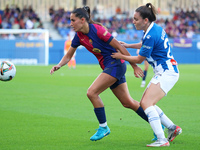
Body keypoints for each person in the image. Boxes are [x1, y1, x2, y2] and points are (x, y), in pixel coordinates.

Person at [50, 6, 152, 142]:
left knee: (91, 92)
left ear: (82, 20)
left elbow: (119, 47)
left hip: (115, 64)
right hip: (111, 67)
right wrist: (59, 65)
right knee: (128, 103)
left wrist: (133, 65)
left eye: (73, 20)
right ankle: (158, 126)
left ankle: (103, 127)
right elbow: (68, 56)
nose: (71, 23)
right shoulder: (79, 37)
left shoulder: (98, 30)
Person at [111, 3, 182, 147]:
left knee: (146, 104)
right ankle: (172, 128)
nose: (133, 21)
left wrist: (121, 56)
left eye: (136, 19)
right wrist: (128, 45)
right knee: (146, 103)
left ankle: (162, 140)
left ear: (145, 20)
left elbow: (139, 59)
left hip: (166, 72)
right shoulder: (153, 29)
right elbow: (144, 44)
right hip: (166, 70)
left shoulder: (150, 34)